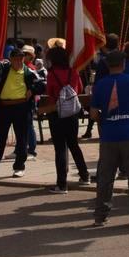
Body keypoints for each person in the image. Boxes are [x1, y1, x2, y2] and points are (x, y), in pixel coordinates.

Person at [89, 50, 129, 228]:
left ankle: (100, 216)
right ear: (123, 64)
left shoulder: (99, 85)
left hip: (109, 137)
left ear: (108, 65)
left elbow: (93, 113)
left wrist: (106, 121)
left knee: (105, 178)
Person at [43, 44, 90, 192]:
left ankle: (62, 184)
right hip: (72, 113)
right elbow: (80, 89)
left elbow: (49, 93)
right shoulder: (73, 72)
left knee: (60, 148)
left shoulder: (51, 74)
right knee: (73, 144)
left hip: (57, 113)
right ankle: (85, 175)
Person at [0, 46, 42, 177]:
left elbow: (42, 84)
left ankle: (19, 166)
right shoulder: (4, 69)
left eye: (21, 60)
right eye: (16, 60)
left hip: (21, 108)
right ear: (11, 59)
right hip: (4, 107)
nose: (18, 62)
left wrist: (32, 90)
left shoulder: (28, 72)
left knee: (22, 139)